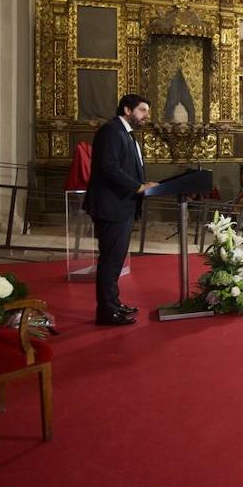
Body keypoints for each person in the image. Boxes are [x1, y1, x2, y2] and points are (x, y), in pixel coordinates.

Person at [84, 94, 158, 326]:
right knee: (110, 260)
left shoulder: (125, 133)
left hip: (121, 205)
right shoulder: (111, 131)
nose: (147, 115)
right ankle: (106, 311)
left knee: (115, 260)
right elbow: (108, 167)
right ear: (127, 110)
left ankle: (113, 304)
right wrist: (138, 186)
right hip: (111, 206)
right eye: (143, 110)